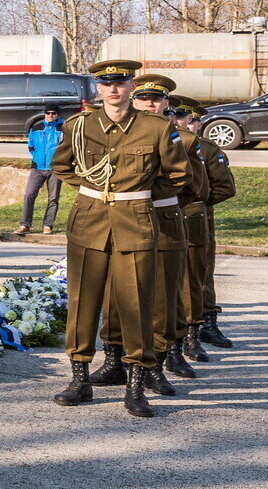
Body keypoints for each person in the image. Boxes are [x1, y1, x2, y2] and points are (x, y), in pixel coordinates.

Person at [51, 60, 188, 418]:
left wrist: (138, 196)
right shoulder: (79, 125)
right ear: (98, 88)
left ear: (131, 87)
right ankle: (79, 380)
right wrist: (92, 189)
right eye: (106, 83)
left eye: (121, 82)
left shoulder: (155, 127)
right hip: (89, 221)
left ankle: (135, 386)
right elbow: (61, 165)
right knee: (82, 302)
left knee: (137, 303)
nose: (113, 89)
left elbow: (178, 175)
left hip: (135, 223)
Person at [171, 96, 238, 354]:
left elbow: (224, 188)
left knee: (198, 276)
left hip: (194, 218)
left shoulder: (206, 148)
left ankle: (204, 324)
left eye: (183, 117)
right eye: (172, 114)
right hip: (161, 217)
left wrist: (196, 203)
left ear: (194, 121)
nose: (177, 121)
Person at [18, 105, 67, 235]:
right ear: (44, 114)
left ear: (58, 115)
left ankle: (47, 225)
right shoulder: (36, 128)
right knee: (29, 195)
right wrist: (37, 158)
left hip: (55, 169)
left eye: (53, 113)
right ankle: (25, 225)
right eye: (48, 113)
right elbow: (31, 146)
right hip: (37, 168)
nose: (50, 115)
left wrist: (59, 161)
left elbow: (67, 148)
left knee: (53, 198)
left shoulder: (64, 129)